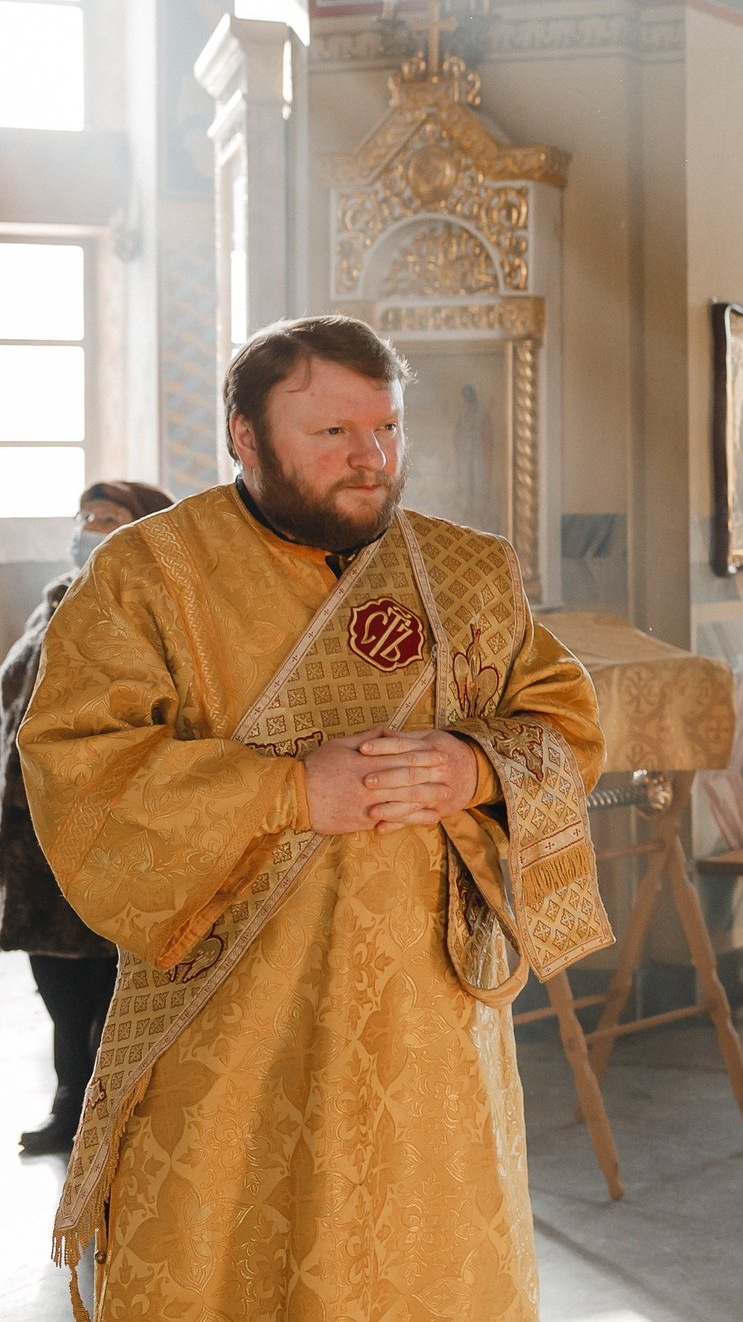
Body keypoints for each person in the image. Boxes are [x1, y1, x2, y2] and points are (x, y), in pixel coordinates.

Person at [19, 315, 611, 1321]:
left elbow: (561, 719)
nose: (370, 461)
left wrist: (473, 767)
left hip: (430, 1023)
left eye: (385, 429)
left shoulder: (466, 571)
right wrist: (292, 792)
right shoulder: (148, 576)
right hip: (232, 1022)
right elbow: (80, 768)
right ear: (243, 437)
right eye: (331, 434)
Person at [2, 480, 173, 1155]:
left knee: (112, 982)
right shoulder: (51, 602)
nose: (91, 526)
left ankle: (109, 1113)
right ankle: (69, 1099)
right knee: (57, 976)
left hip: (103, 824)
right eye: (88, 515)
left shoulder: (147, 606)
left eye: (111, 517)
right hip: (34, 828)